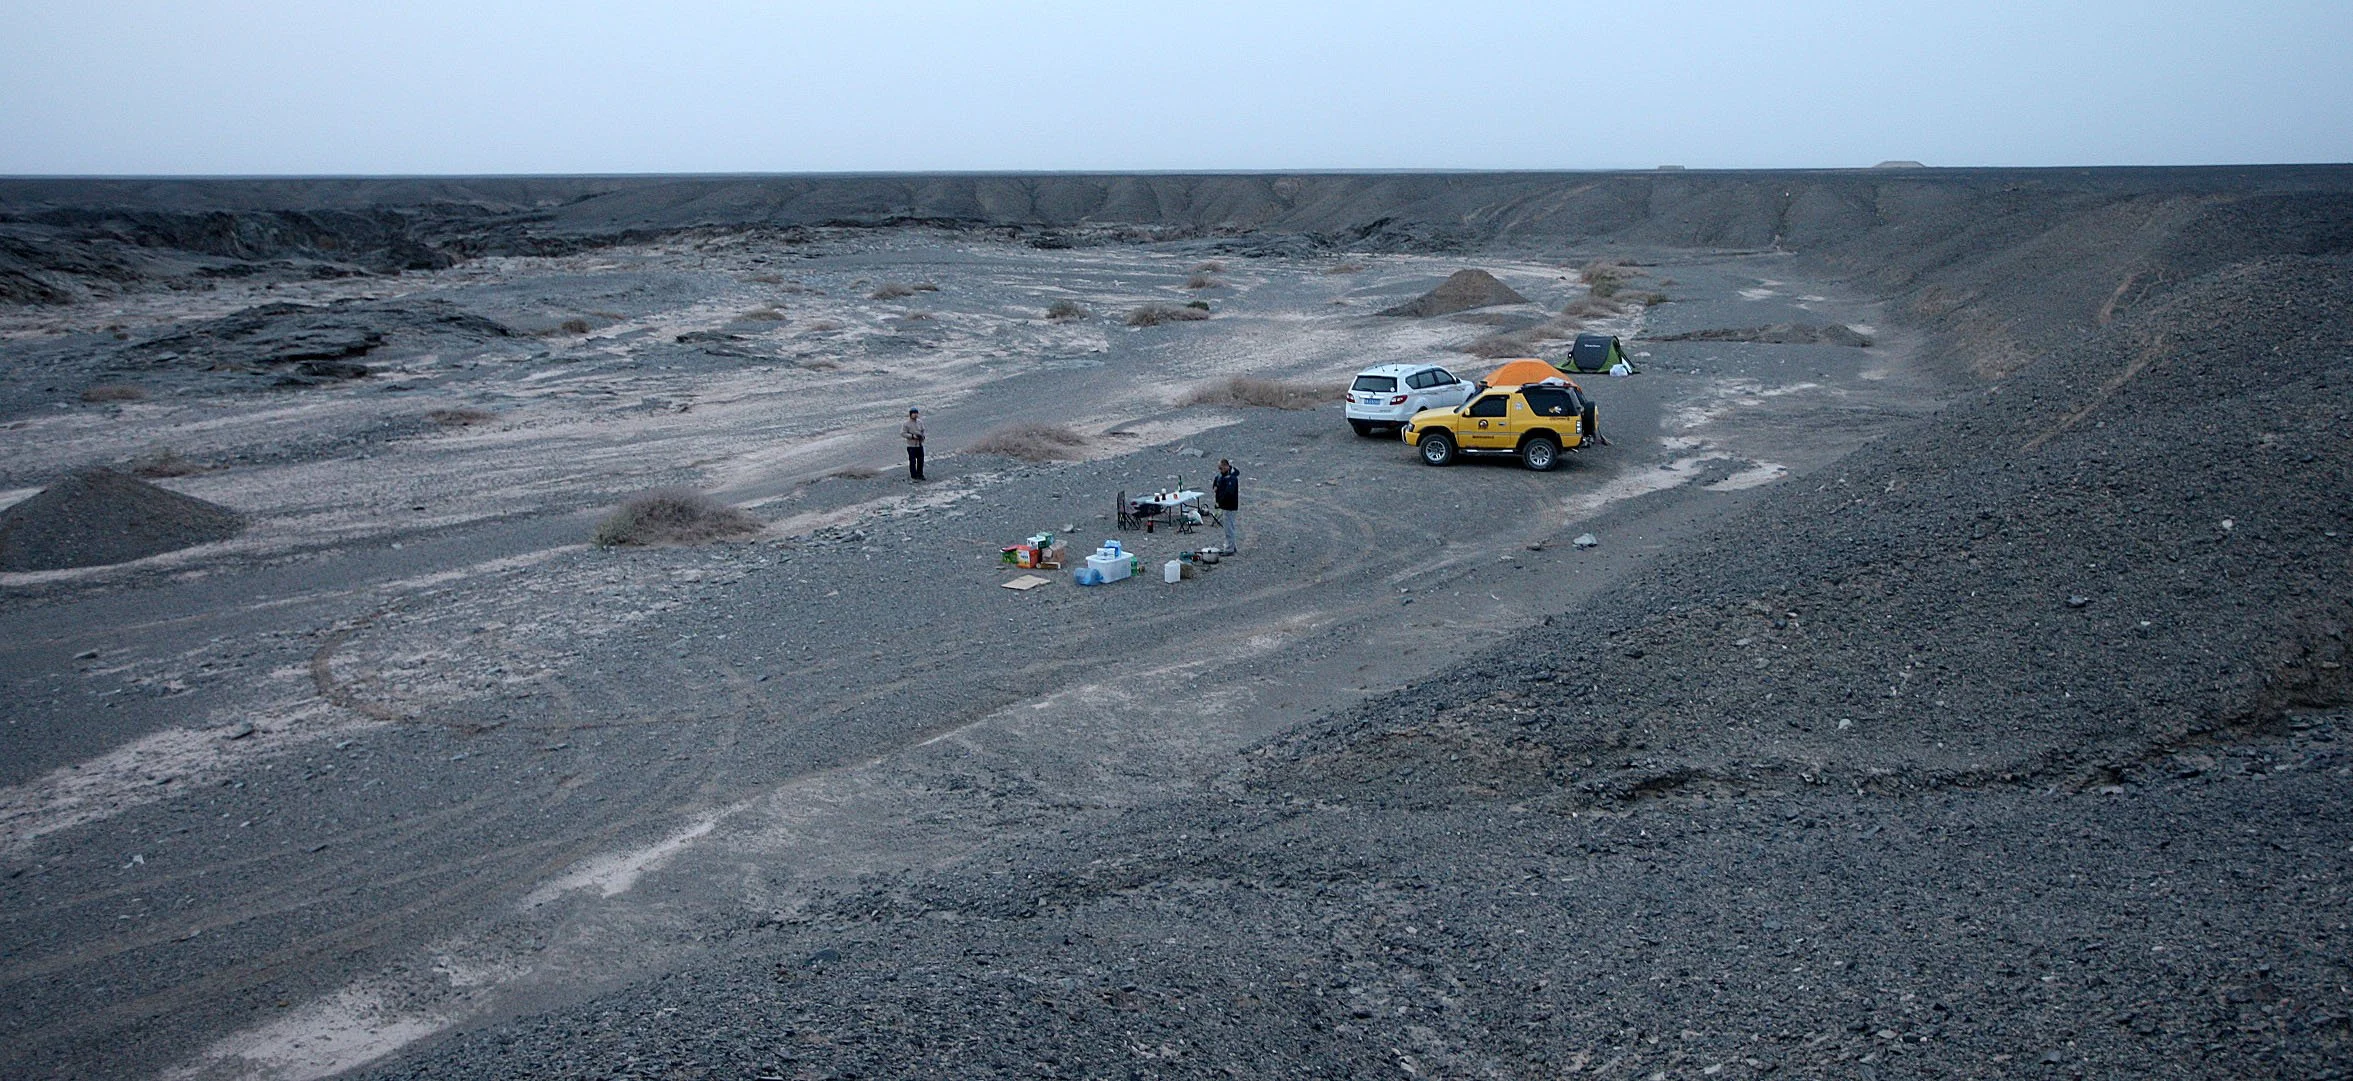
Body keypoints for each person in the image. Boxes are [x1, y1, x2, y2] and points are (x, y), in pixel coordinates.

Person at [1211, 458, 1240, 555]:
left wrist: (1220, 501)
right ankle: (1232, 546)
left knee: (1228, 528)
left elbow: (1229, 493)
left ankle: (1229, 549)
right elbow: (1216, 481)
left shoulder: (1232, 479)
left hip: (1229, 506)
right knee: (1229, 526)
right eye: (1219, 468)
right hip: (1225, 505)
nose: (1220, 470)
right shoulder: (1222, 476)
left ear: (1227, 467)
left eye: (1221, 468)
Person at [901, 407, 926, 481]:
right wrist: (912, 436)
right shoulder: (906, 424)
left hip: (919, 444)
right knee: (912, 461)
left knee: (920, 460)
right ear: (910, 415)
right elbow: (902, 433)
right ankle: (914, 475)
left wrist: (922, 436)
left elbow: (923, 430)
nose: (915, 415)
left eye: (916, 413)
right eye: (913, 413)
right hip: (911, 445)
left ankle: (920, 474)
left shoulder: (920, 422)